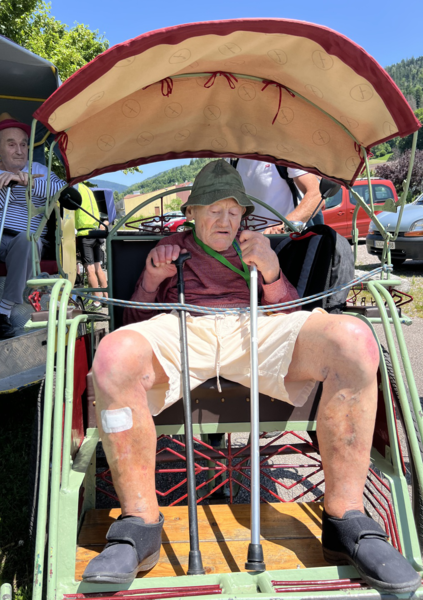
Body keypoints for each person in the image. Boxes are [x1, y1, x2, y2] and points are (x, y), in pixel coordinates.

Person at [83, 160, 420, 594]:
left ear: (244, 214)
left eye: (233, 211)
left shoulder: (256, 245)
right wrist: (151, 278)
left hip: (253, 325)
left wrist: (272, 271)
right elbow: (130, 322)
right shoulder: (170, 247)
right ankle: (139, 525)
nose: (225, 221)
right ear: (192, 212)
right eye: (213, 210)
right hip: (183, 324)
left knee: (354, 341)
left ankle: (347, 519)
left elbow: (291, 314)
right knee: (112, 356)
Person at [0, 113, 65, 339]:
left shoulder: (41, 171)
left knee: (28, 240)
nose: (20, 150)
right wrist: (6, 188)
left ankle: (2, 312)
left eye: (24, 144)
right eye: (11, 144)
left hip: (23, 238)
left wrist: (27, 183)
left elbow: (63, 192)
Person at [236, 159, 323, 233]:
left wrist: (284, 226)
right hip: (251, 242)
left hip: (287, 240)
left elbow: (317, 194)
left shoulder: (284, 153)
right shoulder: (234, 158)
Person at [75, 182, 108, 311]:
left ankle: (96, 302)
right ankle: (106, 299)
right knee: (98, 268)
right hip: (96, 232)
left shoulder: (75, 187)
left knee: (90, 270)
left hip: (85, 233)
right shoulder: (88, 189)